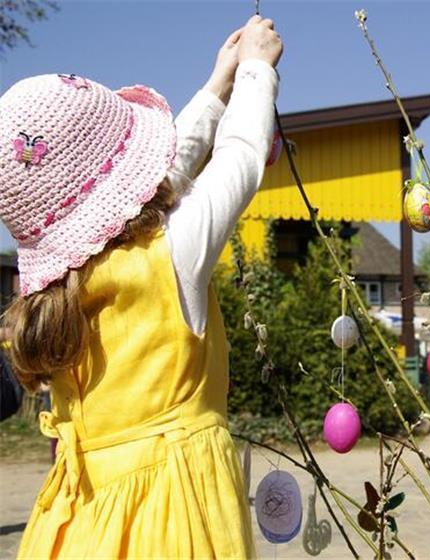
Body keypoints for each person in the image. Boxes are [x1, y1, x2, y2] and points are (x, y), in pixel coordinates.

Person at [0, 14, 282, 558]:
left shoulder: (57, 294)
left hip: (78, 522)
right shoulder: (171, 254)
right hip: (175, 521)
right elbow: (241, 157)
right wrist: (254, 71)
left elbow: (164, 177)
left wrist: (218, 83)